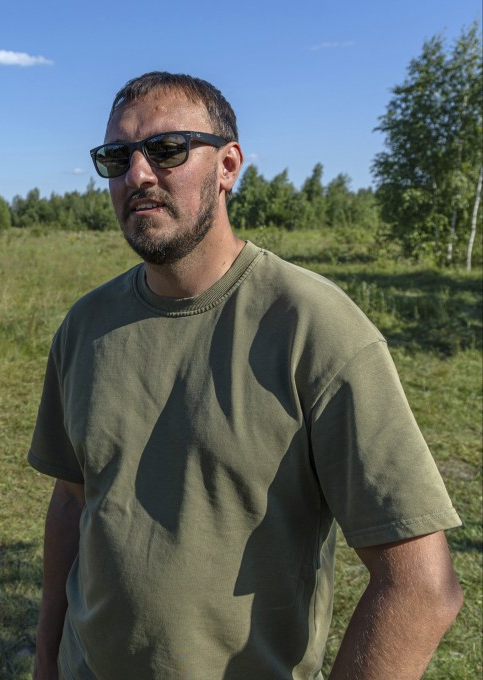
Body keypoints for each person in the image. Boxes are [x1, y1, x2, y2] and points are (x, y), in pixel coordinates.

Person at [27, 72, 463, 680]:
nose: (138, 175)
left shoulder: (314, 326)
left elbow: (421, 588)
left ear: (228, 165)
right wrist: (46, 659)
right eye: (116, 157)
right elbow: (72, 503)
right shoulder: (85, 327)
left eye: (167, 149)